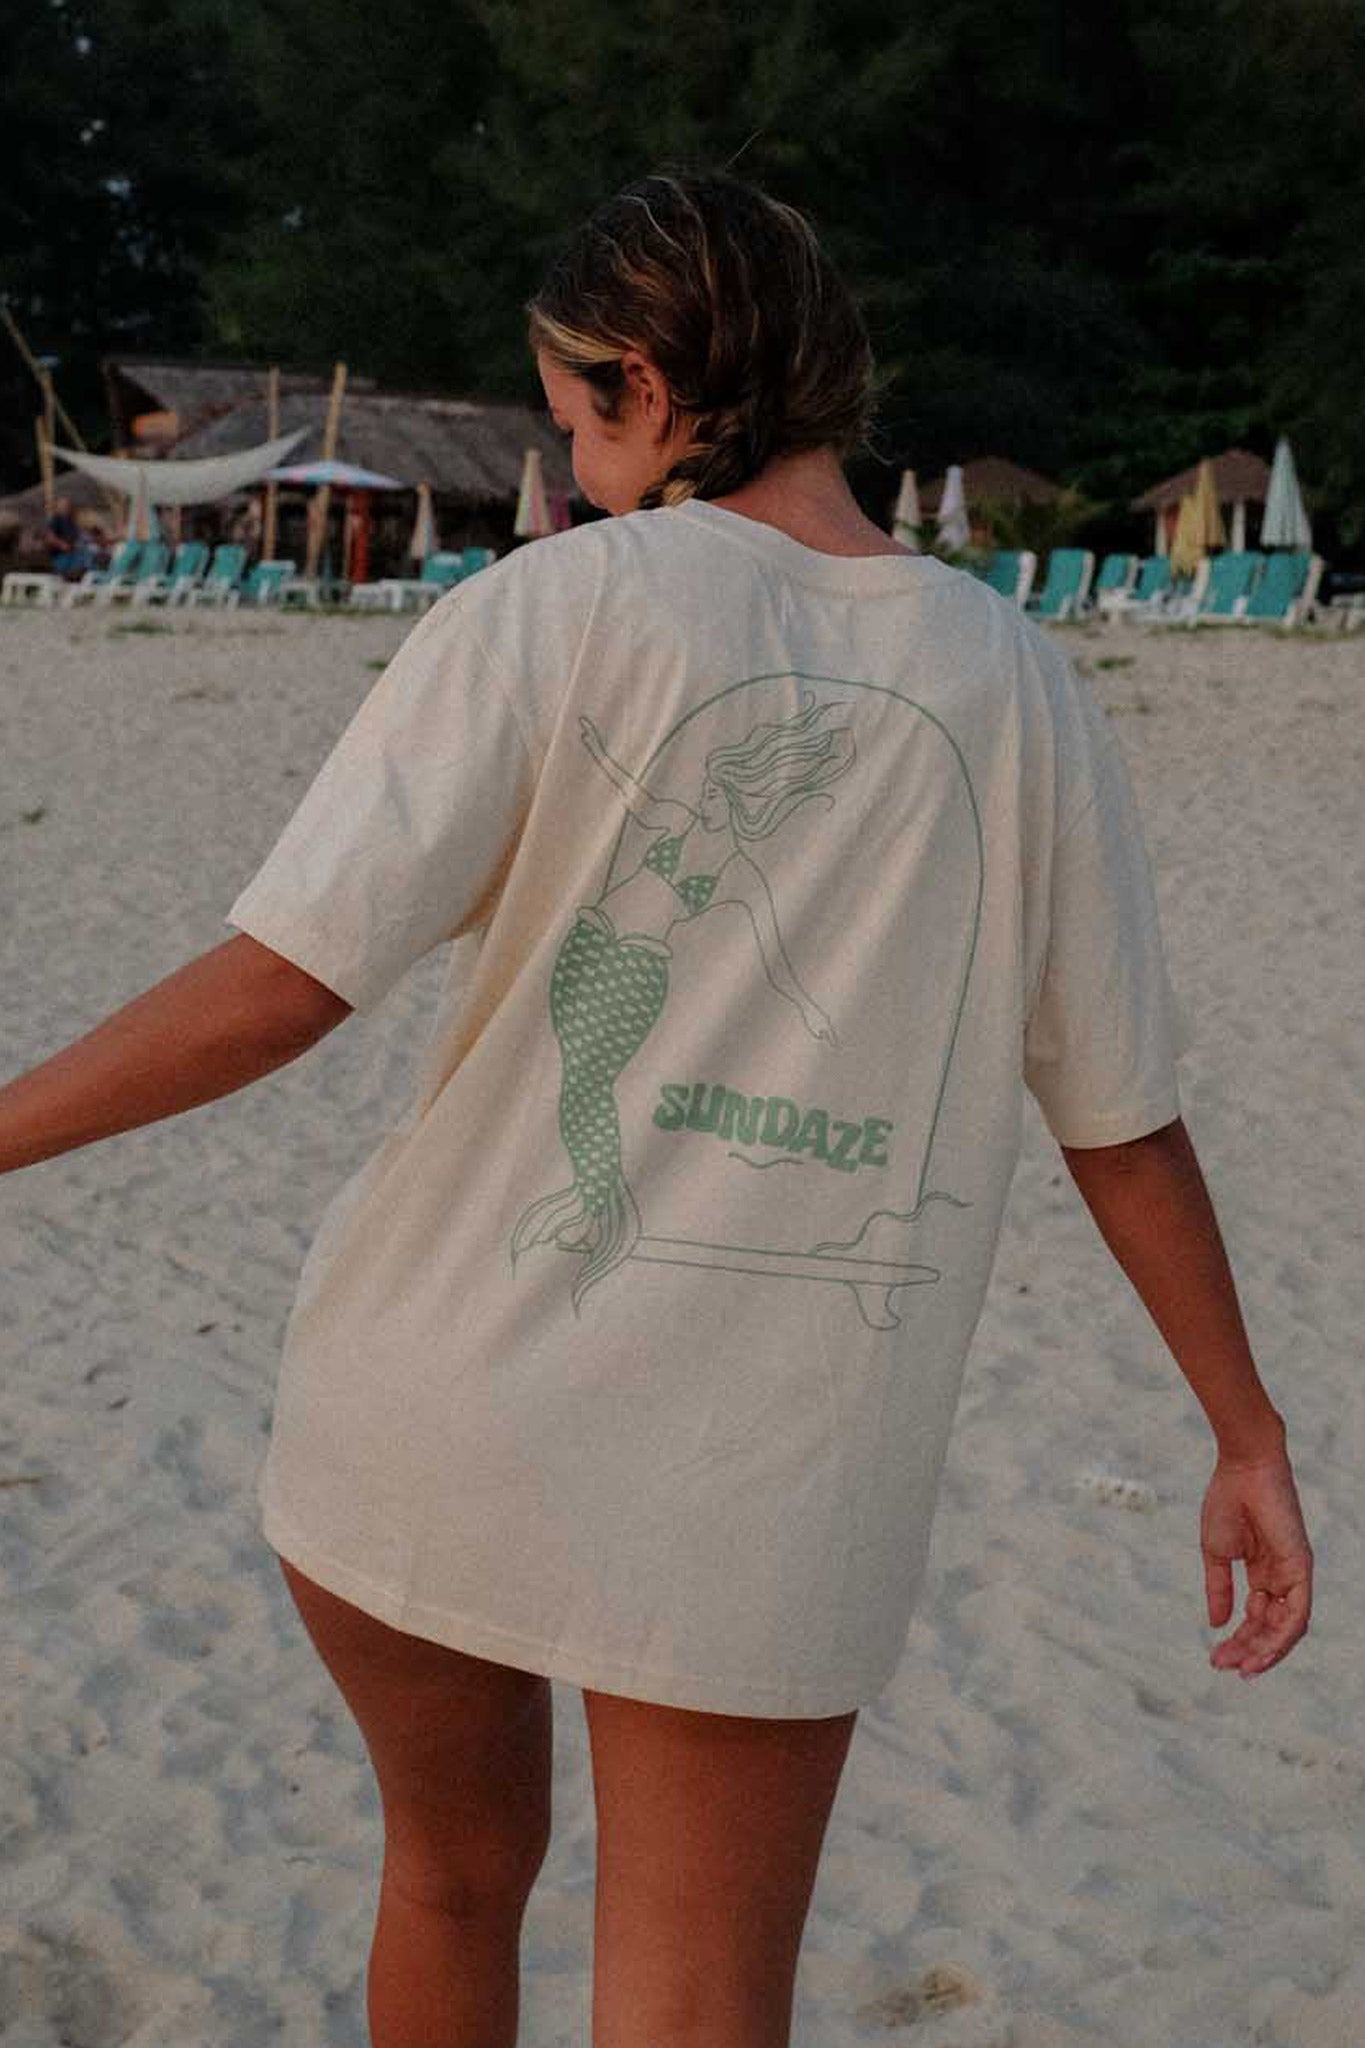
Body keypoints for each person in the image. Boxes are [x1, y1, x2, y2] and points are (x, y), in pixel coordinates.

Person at [0, 170, 1312, 2048]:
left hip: (435, 1387)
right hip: (765, 1464)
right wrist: (1242, 1426)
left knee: (452, 1877)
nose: (579, 462)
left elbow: (278, 985)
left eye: (571, 420)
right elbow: (1121, 1118)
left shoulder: (553, 608)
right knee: (698, 1994)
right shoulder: (1021, 682)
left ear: (644, 383)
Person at [42, 494, 99, 578]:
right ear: (57, 506)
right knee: (85, 564)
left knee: (90, 561)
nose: (66, 507)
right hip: (63, 557)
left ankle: (91, 582)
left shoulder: (71, 521)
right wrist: (62, 545)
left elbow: (80, 536)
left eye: (67, 505)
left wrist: (87, 539)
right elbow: (50, 537)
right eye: (63, 505)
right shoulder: (56, 520)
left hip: (74, 554)